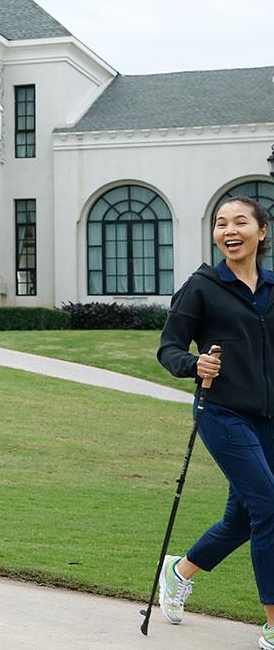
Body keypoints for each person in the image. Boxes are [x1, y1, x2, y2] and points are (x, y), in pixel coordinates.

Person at [156, 196, 274, 649]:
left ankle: (180, 570)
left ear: (261, 231)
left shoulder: (272, 287)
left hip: (268, 418)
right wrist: (194, 364)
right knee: (270, 508)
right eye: (221, 223)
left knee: (244, 519)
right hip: (222, 412)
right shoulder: (202, 286)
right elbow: (168, 348)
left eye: (240, 222)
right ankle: (273, 624)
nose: (230, 230)